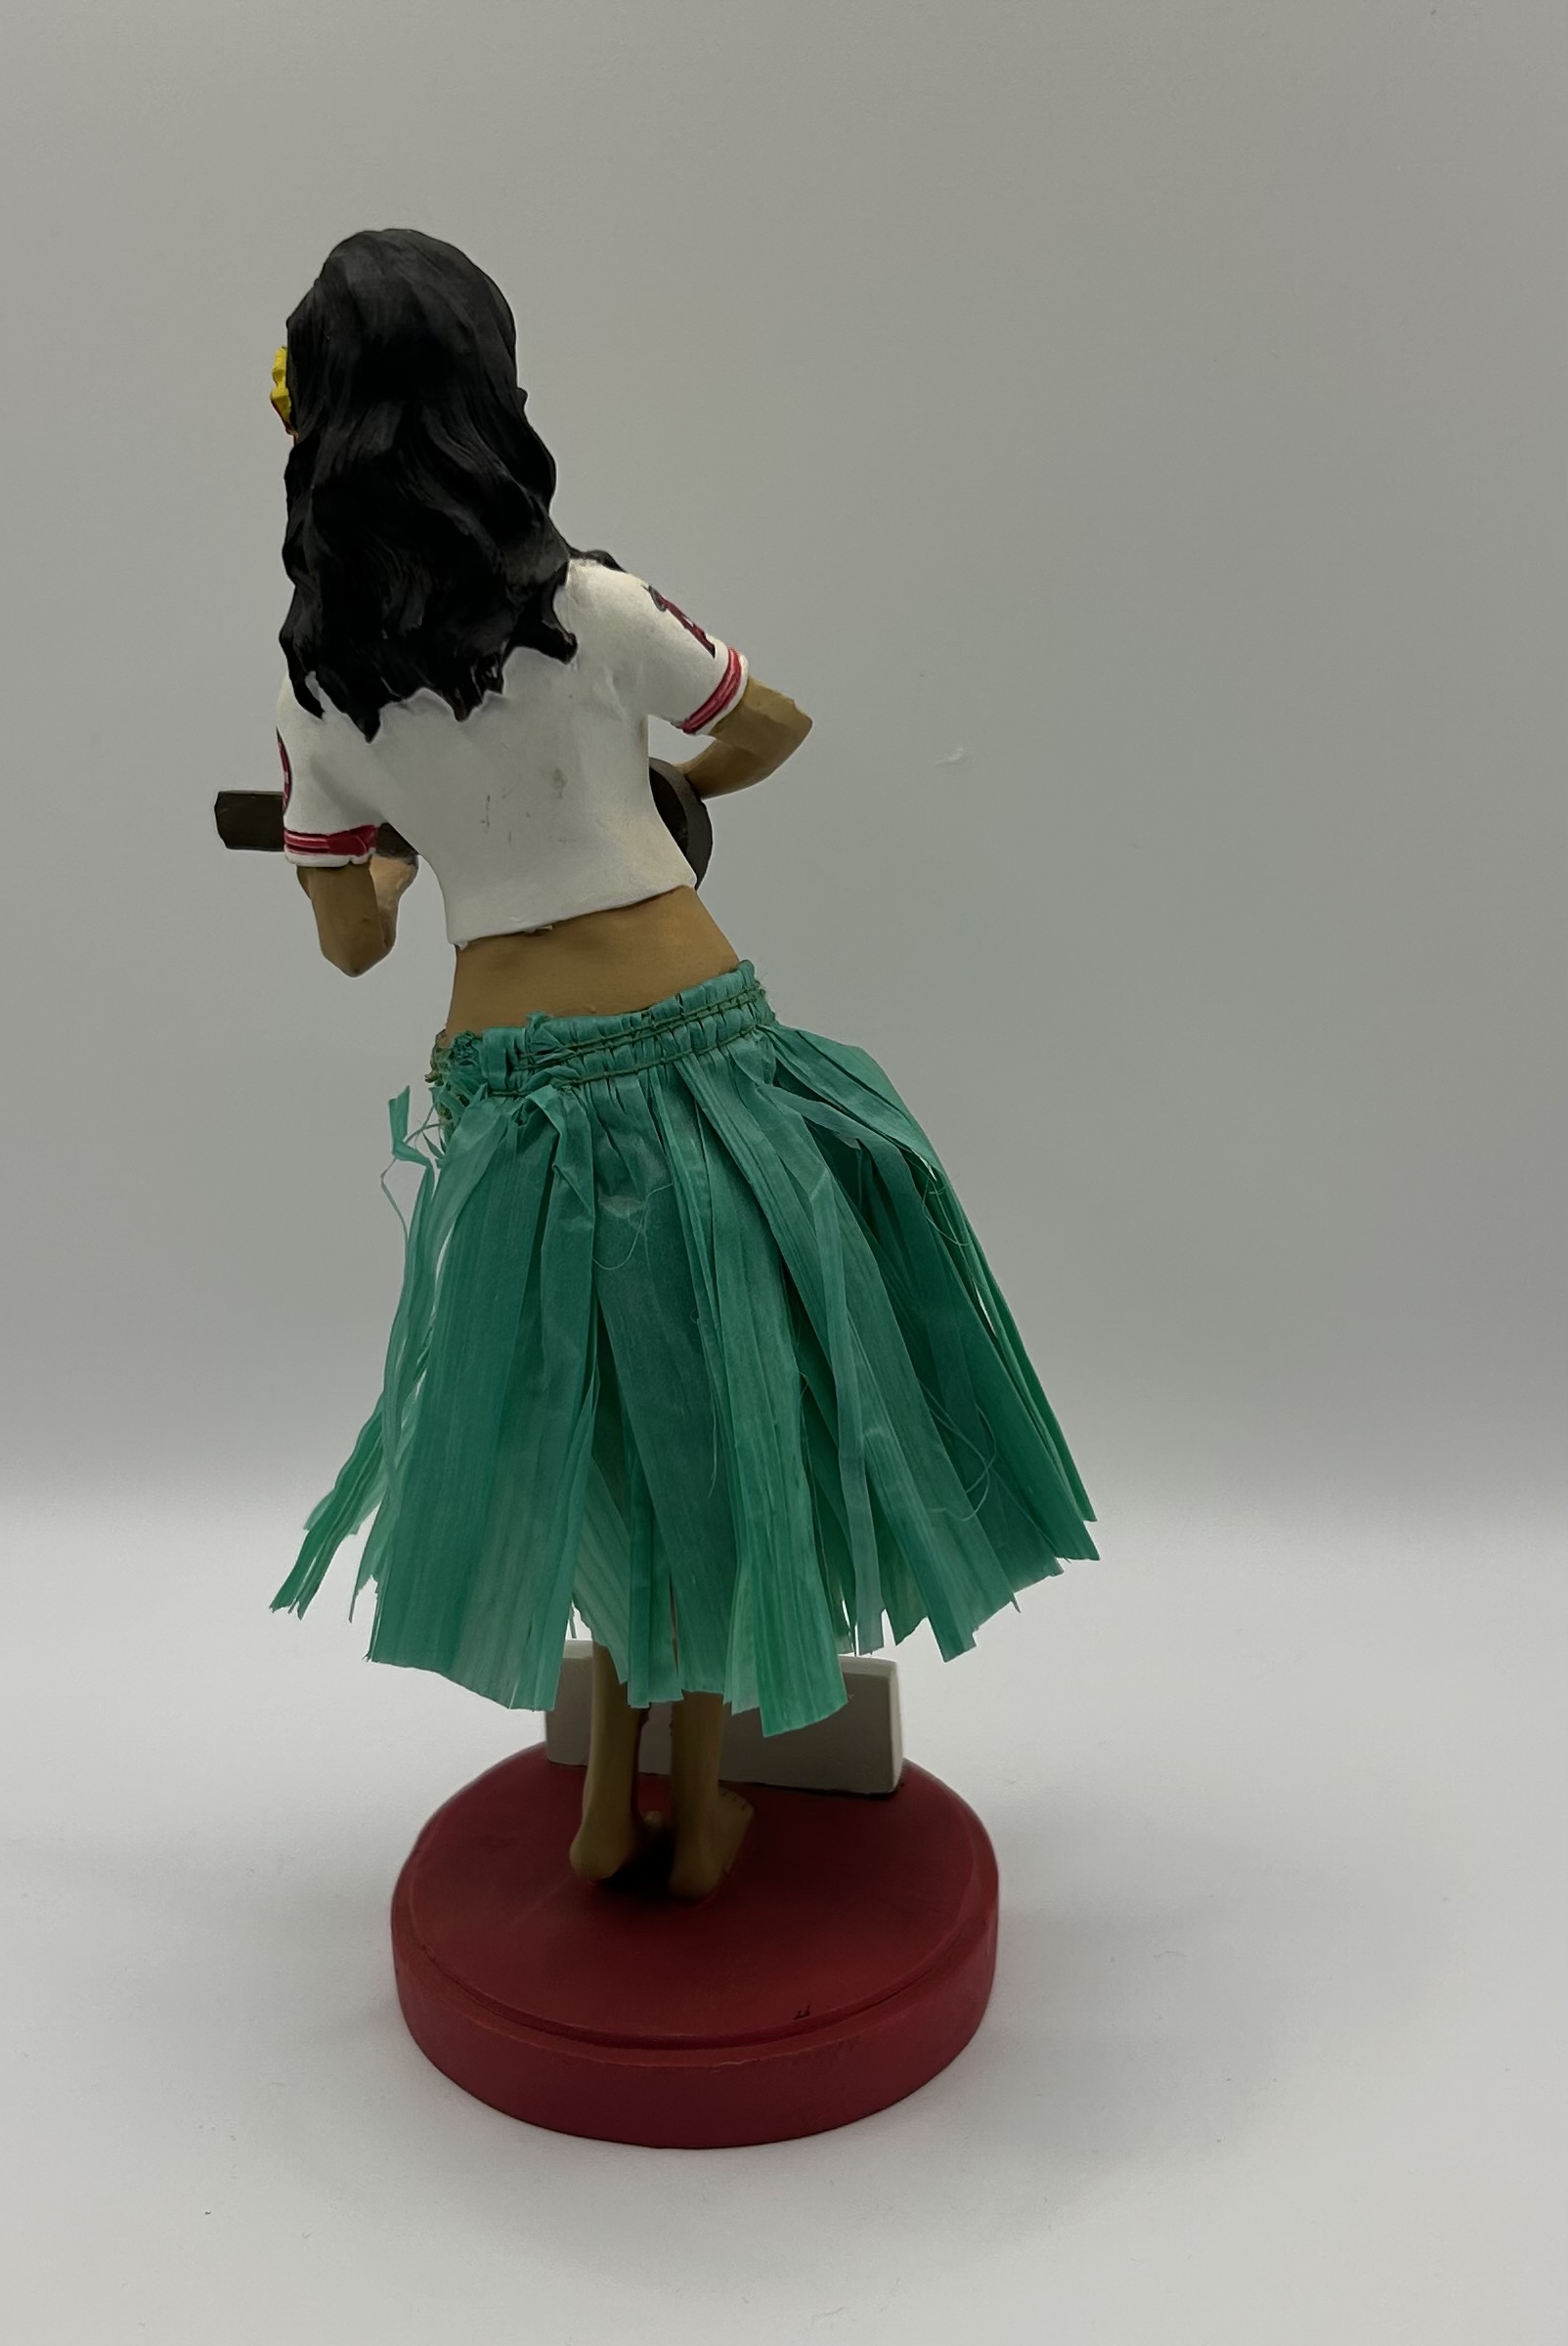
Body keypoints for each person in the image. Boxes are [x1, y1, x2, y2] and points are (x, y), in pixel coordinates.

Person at [264, 228, 1097, 1901]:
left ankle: (609, 1802)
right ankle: (699, 1804)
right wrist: (654, 791)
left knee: (591, 1447)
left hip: (507, 1096)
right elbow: (768, 724)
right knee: (723, 1432)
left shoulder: (320, 694)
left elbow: (349, 939)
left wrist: (403, 861)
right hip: (698, 1058)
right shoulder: (591, 608)